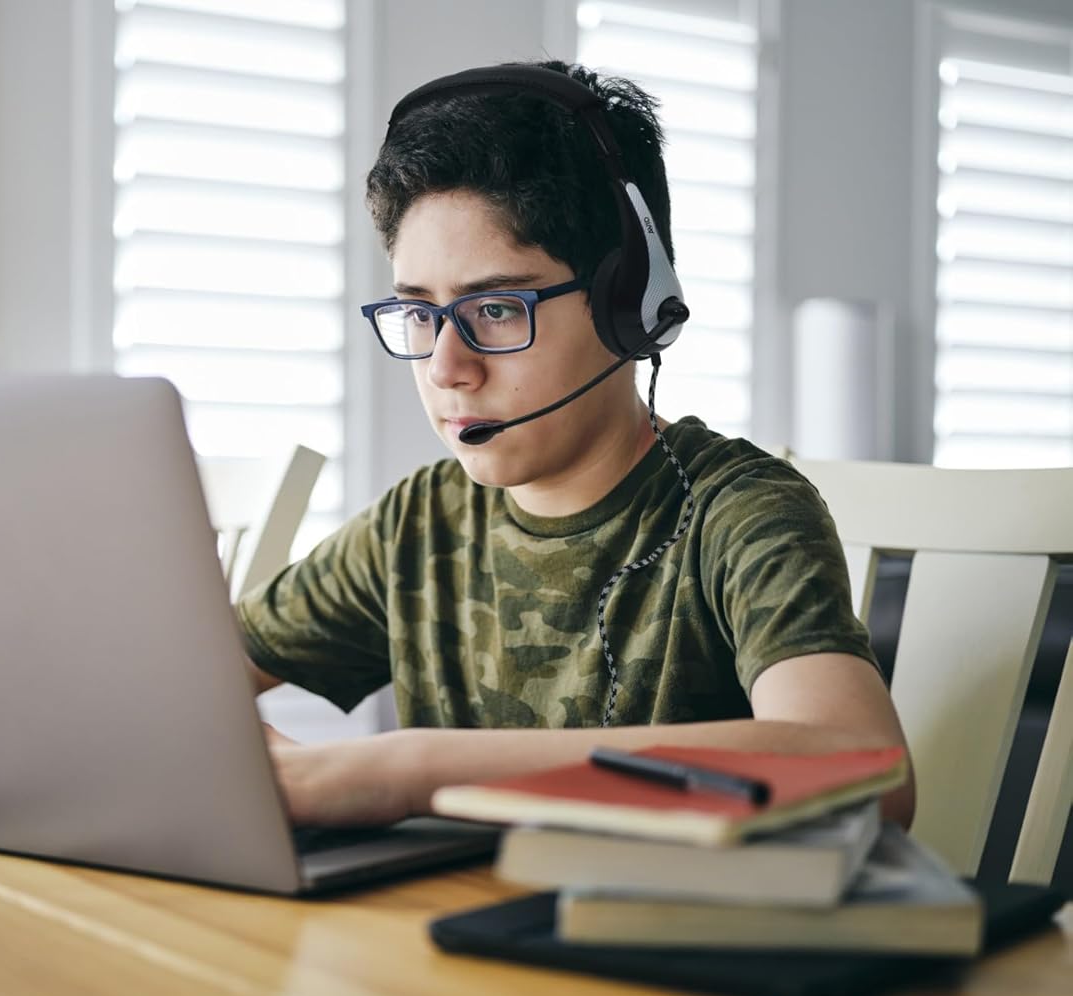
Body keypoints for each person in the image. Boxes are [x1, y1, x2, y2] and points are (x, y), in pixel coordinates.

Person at [235, 60, 913, 828]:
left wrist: (410, 768)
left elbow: (865, 768)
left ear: (629, 307)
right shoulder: (418, 526)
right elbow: (182, 679)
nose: (446, 369)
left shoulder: (741, 513)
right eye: (420, 314)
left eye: (495, 309)